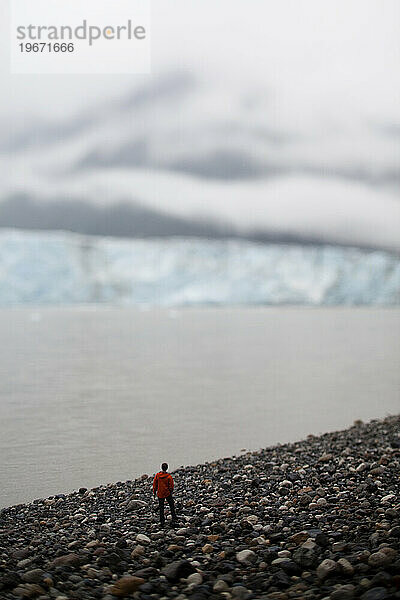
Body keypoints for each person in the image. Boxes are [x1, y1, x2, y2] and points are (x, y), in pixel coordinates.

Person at [153, 463, 177, 527]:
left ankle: (162, 520)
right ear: (167, 468)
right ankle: (174, 517)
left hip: (160, 493)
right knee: (171, 505)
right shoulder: (169, 476)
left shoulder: (157, 475)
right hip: (167, 493)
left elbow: (155, 484)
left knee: (161, 507)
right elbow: (171, 485)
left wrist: (154, 491)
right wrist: (170, 491)